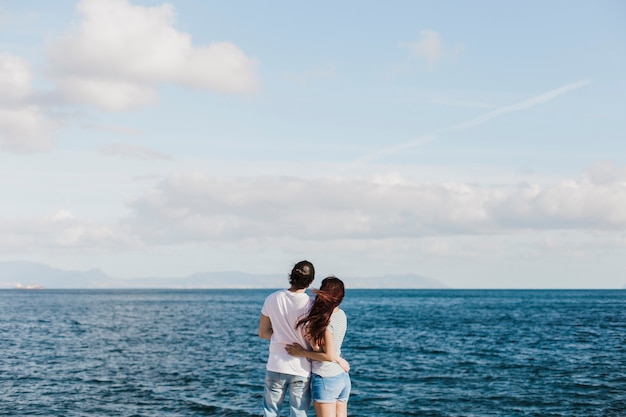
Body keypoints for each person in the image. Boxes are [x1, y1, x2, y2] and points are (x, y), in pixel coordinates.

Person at [285, 277, 350, 417]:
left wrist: (301, 352)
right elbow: (331, 351)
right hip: (342, 378)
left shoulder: (325, 322)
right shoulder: (342, 315)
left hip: (326, 378)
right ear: (341, 296)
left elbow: (328, 356)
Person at [258, 260, 316, 417]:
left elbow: (263, 333)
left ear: (291, 276)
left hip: (276, 365)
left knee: (270, 412)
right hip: (301, 368)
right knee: (298, 413)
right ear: (311, 281)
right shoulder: (312, 306)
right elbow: (314, 341)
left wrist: (279, 336)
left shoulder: (272, 298)